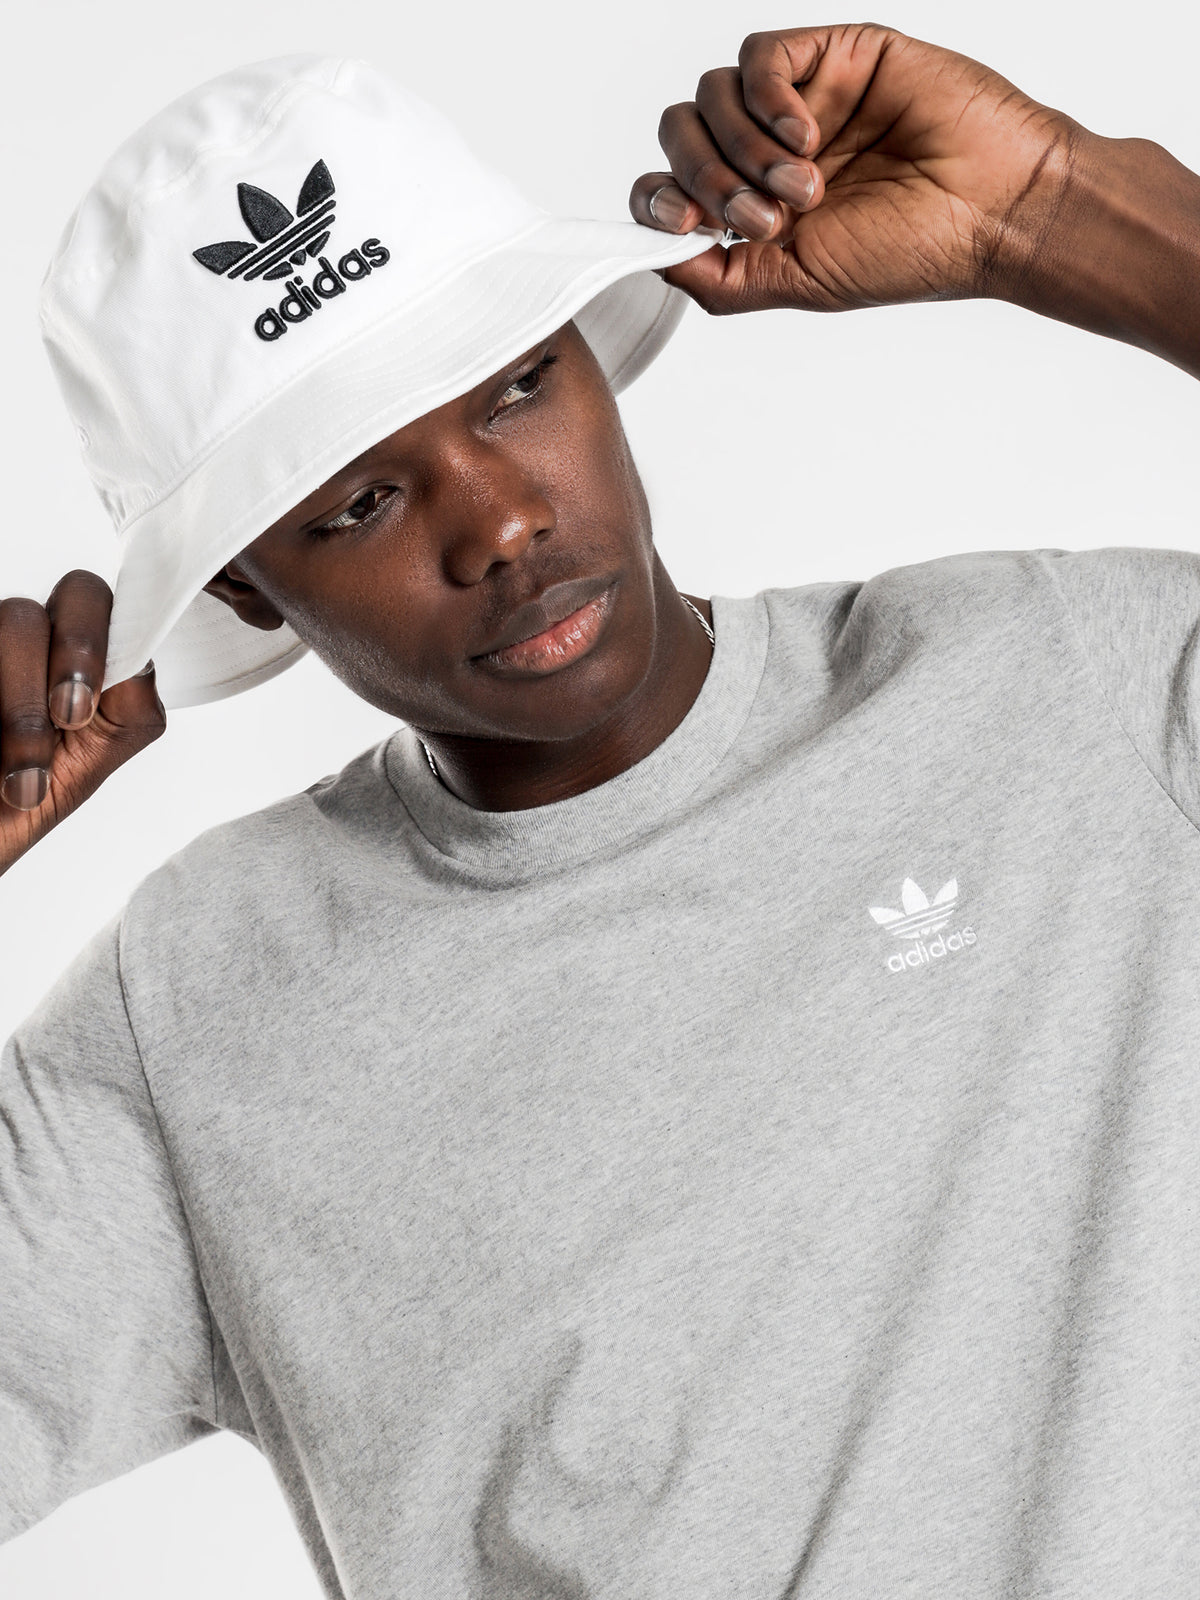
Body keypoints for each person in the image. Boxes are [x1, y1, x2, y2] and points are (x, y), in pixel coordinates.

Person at [3, 18, 1200, 1595]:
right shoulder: (197, 1003)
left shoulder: (1059, 678)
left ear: (588, 353)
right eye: (360, 500)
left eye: (515, 387)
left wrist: (1058, 206)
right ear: (243, 584)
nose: (499, 522)